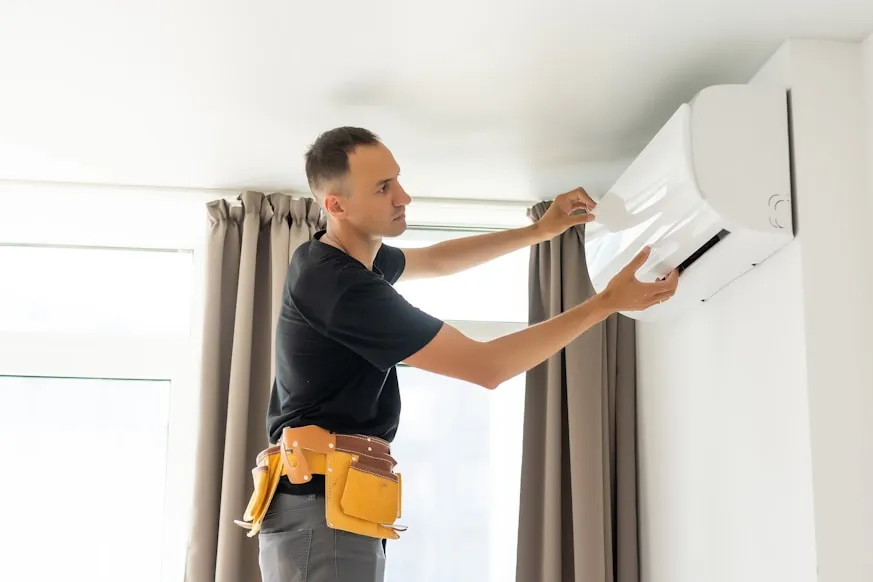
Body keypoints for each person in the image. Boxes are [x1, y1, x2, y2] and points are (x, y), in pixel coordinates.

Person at [251, 126, 678, 582]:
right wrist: (606, 304)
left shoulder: (348, 259)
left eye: (397, 180)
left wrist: (540, 230)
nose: (404, 197)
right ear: (336, 205)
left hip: (334, 500)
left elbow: (435, 260)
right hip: (319, 506)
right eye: (383, 188)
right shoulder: (340, 287)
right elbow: (487, 367)